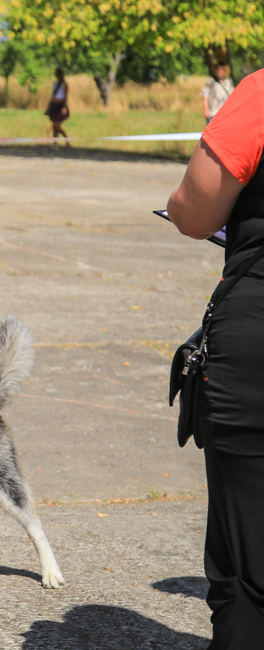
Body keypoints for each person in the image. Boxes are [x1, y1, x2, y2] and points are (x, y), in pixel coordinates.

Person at [167, 67, 264, 648]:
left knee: (247, 572)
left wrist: (181, 209)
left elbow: (195, 211)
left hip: (255, 342)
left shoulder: (259, 94)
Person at [46, 67, 69, 144]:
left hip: (60, 105)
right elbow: (53, 94)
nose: (55, 75)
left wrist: (64, 107)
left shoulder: (64, 84)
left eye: (57, 74)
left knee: (57, 125)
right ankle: (55, 144)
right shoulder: (55, 83)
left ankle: (67, 139)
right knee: (54, 126)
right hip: (54, 105)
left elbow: (65, 96)